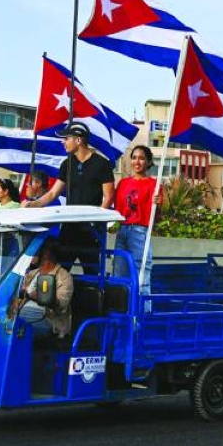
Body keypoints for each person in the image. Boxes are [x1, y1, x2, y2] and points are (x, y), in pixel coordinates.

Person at [27, 122, 115, 272]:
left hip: (91, 231)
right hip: (69, 228)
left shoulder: (102, 164)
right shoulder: (66, 164)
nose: (63, 142)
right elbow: (53, 193)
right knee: (60, 270)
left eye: (67, 138)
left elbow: (108, 197)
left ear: (78, 140)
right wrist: (31, 205)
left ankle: (95, 295)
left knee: (92, 273)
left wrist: (94, 221)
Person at [113, 145, 163, 296]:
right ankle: (120, 310)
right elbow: (116, 209)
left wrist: (158, 204)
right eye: (134, 158)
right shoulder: (123, 183)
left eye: (141, 158)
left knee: (141, 274)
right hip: (122, 230)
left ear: (148, 162)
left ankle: (143, 312)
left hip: (140, 231)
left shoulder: (154, 184)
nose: (137, 161)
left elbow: (158, 216)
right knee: (119, 273)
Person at [17, 240, 73, 344]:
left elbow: (61, 304)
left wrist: (40, 296)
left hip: (49, 321)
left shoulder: (64, 276)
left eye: (36, 250)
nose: (32, 253)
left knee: (17, 329)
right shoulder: (32, 273)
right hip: (24, 316)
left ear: (46, 254)